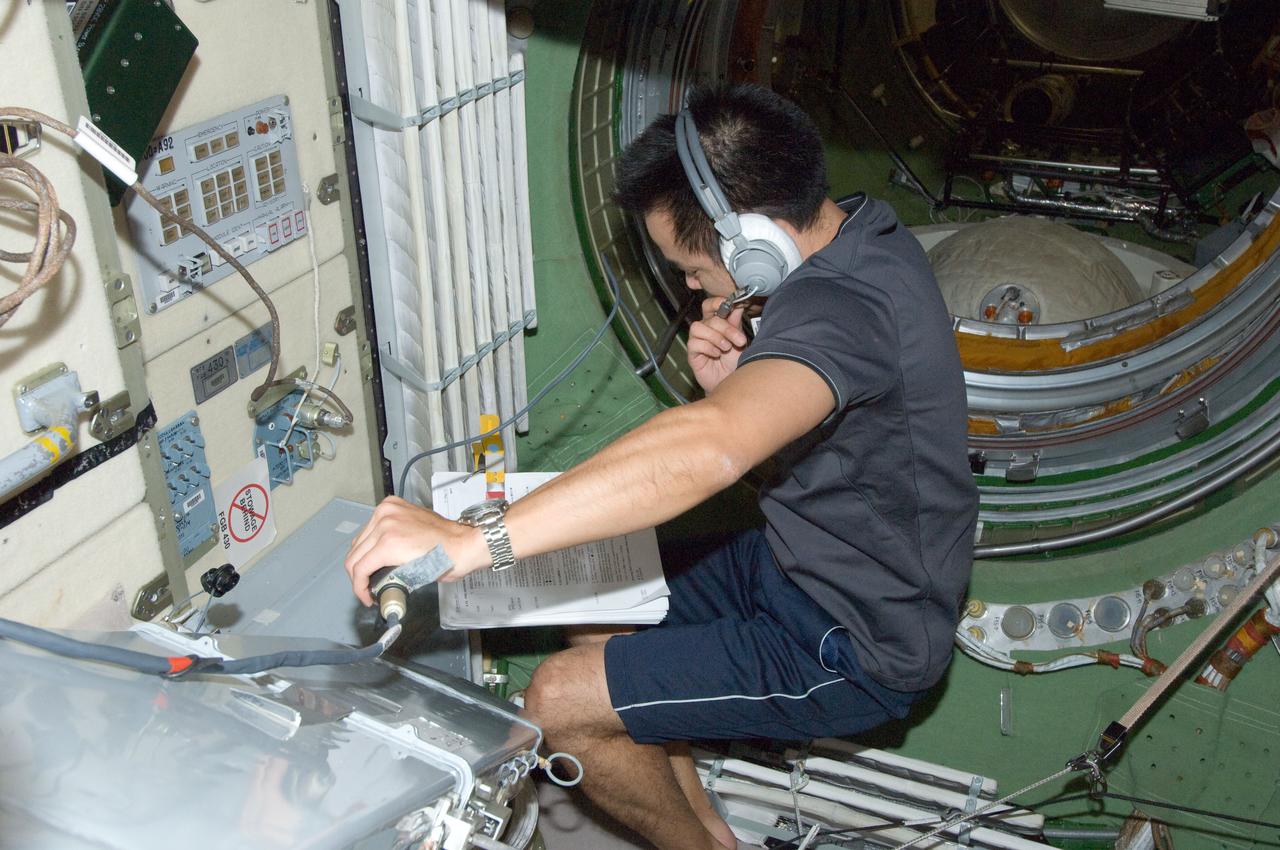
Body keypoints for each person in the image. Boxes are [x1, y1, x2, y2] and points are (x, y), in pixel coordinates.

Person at [345, 83, 978, 850]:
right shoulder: (859, 230)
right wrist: (746, 386)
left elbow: (709, 447)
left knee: (557, 701)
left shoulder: (844, 309)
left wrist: (471, 543)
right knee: (586, 587)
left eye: (685, 262)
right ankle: (714, 834)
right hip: (792, 563)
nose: (687, 285)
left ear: (748, 236)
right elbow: (824, 435)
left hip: (854, 636)